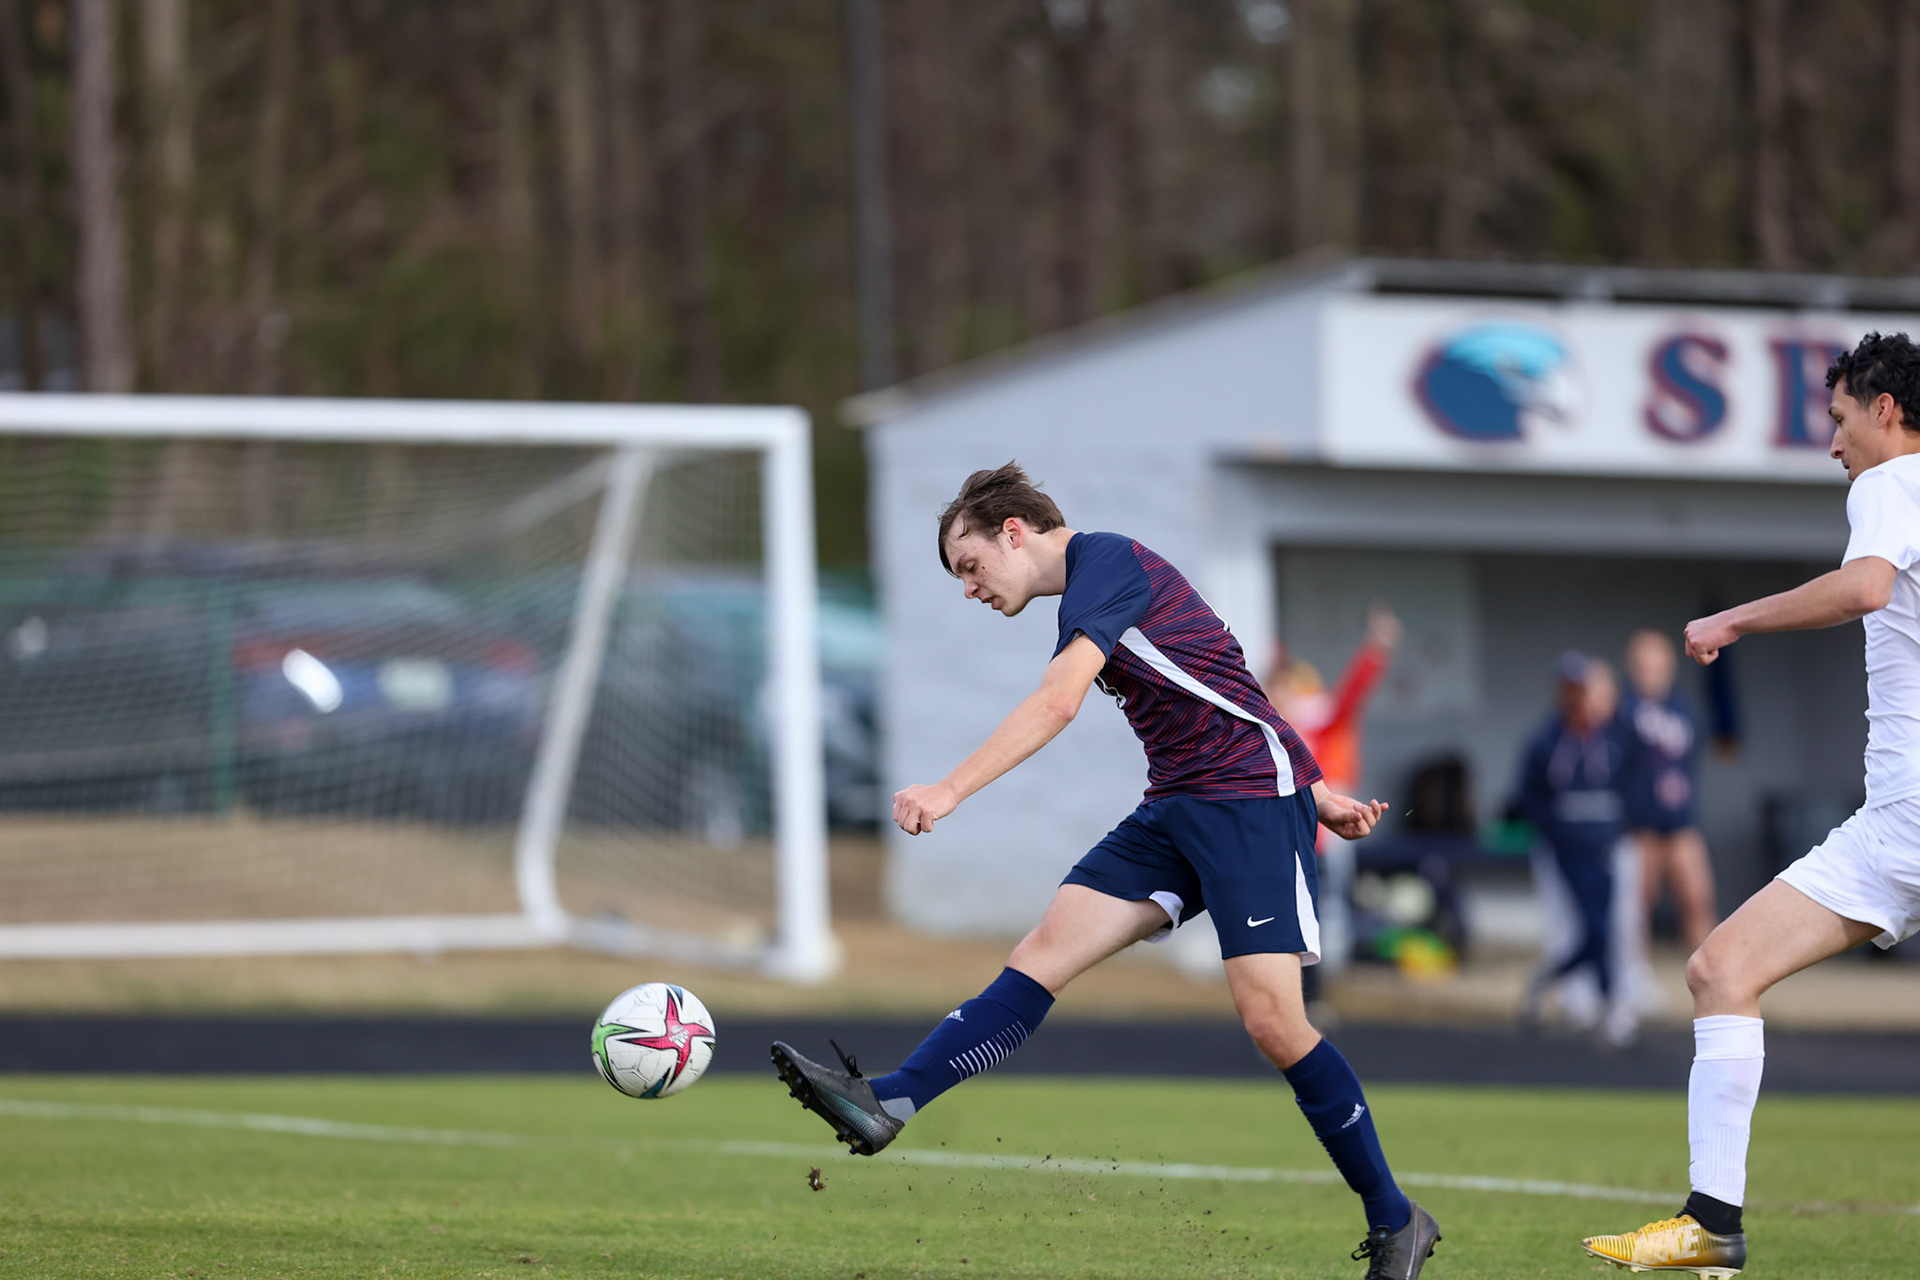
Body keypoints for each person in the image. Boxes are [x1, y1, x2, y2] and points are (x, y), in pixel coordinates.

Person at [770, 462, 1442, 1279]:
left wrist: (950, 788)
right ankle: (890, 1102)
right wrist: (1322, 787)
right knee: (1044, 951)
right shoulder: (1102, 583)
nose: (970, 590)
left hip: (1244, 804)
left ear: (1013, 532)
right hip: (1181, 803)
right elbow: (1223, 676)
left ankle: (1395, 1219)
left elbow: (1059, 701)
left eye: (971, 565)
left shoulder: (1108, 560)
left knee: (1273, 1022)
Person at [1582, 331, 1920, 1275]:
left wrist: (1732, 619)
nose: (1833, 442)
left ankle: (1710, 1227)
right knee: (1719, 967)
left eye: (1840, 417)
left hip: (1909, 821)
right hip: (1899, 824)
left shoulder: (1891, 485)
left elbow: (1864, 587)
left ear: (1886, 411)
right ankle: (1709, 1225)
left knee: (1720, 969)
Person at [1264, 604, 1402, 978]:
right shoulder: (1260, 731)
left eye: (1288, 688)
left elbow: (1349, 699)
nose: (1284, 696)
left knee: (1318, 912)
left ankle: (1318, 986)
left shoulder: (1309, 727)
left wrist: (1375, 650)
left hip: (1315, 837)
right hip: (1274, 839)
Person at [1515, 652, 1637, 1046]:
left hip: (1608, 847)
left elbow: (1633, 786)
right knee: (1591, 928)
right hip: (1566, 852)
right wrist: (1554, 834)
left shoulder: (1614, 737)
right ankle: (1602, 1004)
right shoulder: (1546, 740)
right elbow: (1528, 797)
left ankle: (1556, 984)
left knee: (1605, 931)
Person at [1619, 628, 1718, 953]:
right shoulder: (1621, 712)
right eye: (1644, 666)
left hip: (1681, 824)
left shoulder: (1684, 710)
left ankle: (1714, 976)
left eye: (1658, 666)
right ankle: (1630, 986)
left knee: (1698, 902)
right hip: (1639, 829)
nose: (1652, 674)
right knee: (1634, 910)